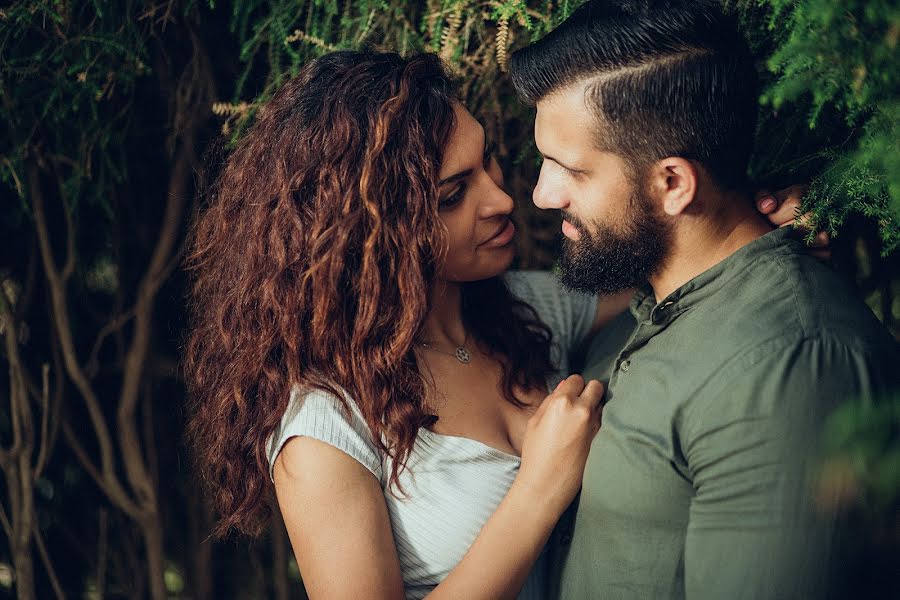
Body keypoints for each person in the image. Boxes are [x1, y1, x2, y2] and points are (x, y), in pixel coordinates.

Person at [184, 50, 818, 599]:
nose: (502, 199)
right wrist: (539, 488)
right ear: (367, 235)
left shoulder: (526, 308)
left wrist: (762, 217)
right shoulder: (326, 424)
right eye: (453, 195)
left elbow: (683, 262)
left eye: (487, 163)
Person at [507, 1, 900, 598]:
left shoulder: (787, 368)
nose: (541, 194)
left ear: (672, 184)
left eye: (570, 170)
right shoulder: (645, 305)